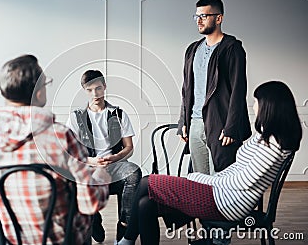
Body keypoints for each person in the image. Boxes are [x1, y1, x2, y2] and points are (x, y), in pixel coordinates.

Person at [117, 80, 302, 245]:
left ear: (269, 106)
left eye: (256, 101)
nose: (254, 106)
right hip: (222, 194)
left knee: (147, 181)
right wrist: (208, 179)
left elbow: (243, 182)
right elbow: (238, 170)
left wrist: (203, 179)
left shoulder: (275, 144)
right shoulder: (265, 136)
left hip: (227, 203)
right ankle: (128, 240)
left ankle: (127, 239)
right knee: (145, 203)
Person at [0, 55, 110, 245]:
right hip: (63, 240)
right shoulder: (60, 137)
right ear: (38, 92)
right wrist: (101, 177)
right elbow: (90, 203)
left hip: (13, 239)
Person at [177, 0, 251, 174]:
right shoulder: (192, 49)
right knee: (200, 181)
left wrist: (231, 127)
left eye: (204, 16)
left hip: (220, 123)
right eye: (197, 16)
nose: (199, 21)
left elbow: (238, 91)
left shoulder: (232, 49)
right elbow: (187, 89)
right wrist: (182, 121)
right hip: (195, 123)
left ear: (219, 18)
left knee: (221, 179)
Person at [66, 70, 142, 243]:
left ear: (105, 87)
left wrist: (114, 158)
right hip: (90, 168)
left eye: (98, 88)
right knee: (75, 180)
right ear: (84, 91)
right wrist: (91, 161)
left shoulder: (119, 114)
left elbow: (129, 147)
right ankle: (93, 221)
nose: (95, 94)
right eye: (90, 90)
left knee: (134, 172)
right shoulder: (76, 117)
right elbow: (70, 153)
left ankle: (123, 226)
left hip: (115, 166)